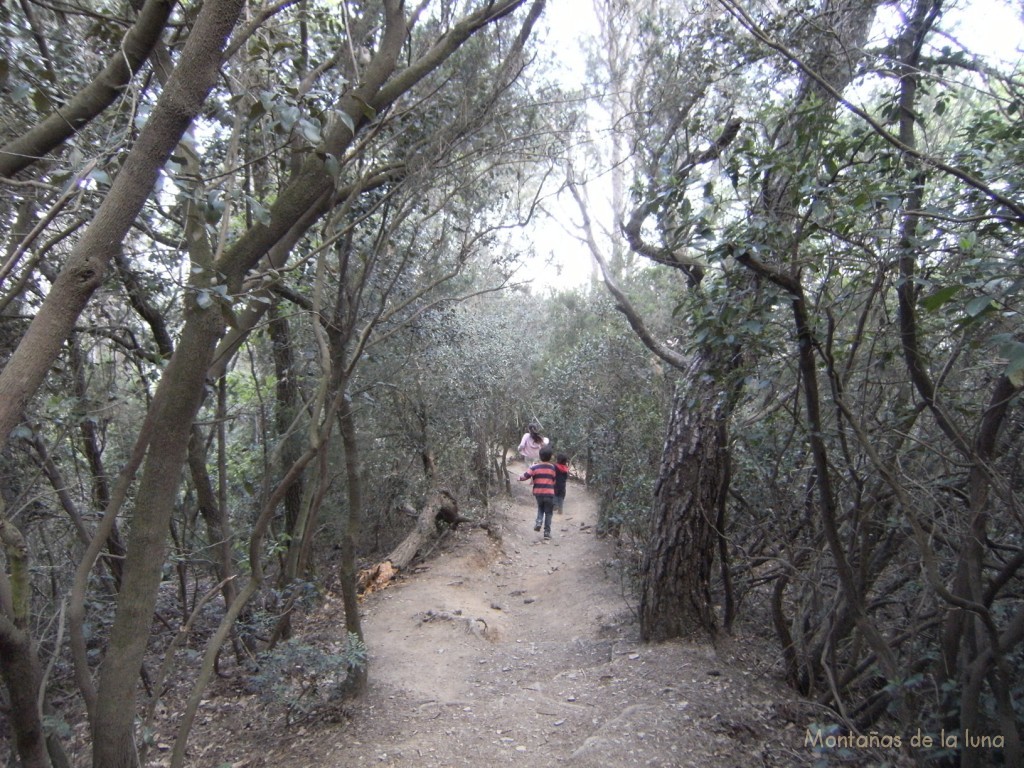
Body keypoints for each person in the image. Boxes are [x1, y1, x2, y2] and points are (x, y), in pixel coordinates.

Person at [520, 446, 556, 539]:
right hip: (549, 493)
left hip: (538, 493)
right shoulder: (552, 468)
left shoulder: (534, 467)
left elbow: (526, 475)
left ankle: (539, 522)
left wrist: (520, 478)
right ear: (550, 457)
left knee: (540, 508)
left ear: (540, 456)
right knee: (548, 513)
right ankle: (547, 533)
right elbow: (554, 480)